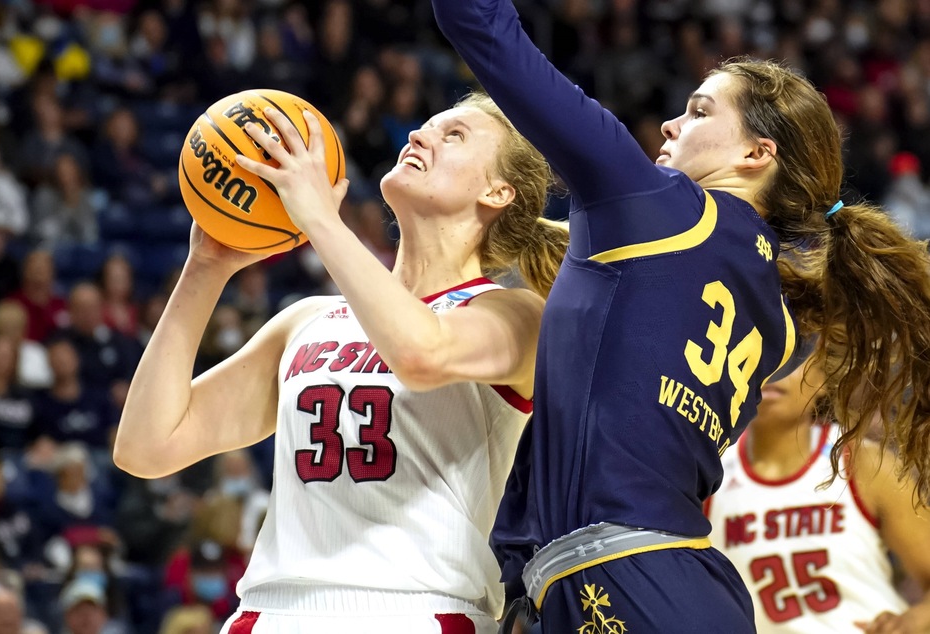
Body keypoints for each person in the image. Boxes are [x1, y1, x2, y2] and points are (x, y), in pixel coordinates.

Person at [431, 1, 930, 631]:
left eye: (698, 111)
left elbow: (477, 23)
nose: (669, 124)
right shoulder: (776, 320)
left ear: (757, 154)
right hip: (662, 576)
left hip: (628, 574)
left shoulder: (651, 206)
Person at [114, 92, 568, 633]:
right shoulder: (307, 318)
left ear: (497, 192)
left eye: (454, 136)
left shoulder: (515, 313)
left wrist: (318, 216)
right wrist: (205, 267)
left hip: (417, 611)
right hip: (268, 611)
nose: (420, 136)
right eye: (425, 125)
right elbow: (147, 446)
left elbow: (420, 353)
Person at [706, 359, 930, 632]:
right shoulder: (708, 472)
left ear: (823, 379)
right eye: (765, 357)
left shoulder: (861, 461)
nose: (775, 372)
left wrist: (913, 622)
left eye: (794, 360)